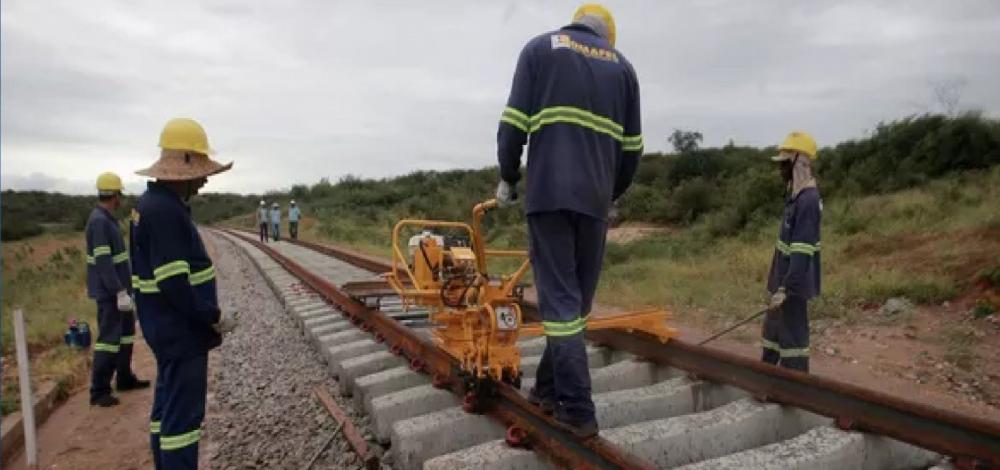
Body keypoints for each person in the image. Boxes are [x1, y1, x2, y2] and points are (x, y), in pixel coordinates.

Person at [494, 3, 642, 438]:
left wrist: (508, 177)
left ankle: (576, 409)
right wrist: (609, 192)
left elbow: (512, 127)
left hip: (549, 196)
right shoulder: (624, 69)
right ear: (606, 37)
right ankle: (545, 389)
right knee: (575, 305)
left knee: (561, 306)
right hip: (595, 203)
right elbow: (631, 151)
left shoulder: (540, 50)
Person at [131, 117, 238, 469]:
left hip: (166, 329)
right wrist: (213, 315)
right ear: (185, 167)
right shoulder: (163, 211)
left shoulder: (155, 204)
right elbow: (174, 283)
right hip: (180, 332)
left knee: (167, 411)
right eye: (202, 171)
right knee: (183, 422)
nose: (205, 179)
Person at [85, 172, 150, 407]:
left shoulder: (106, 219)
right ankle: (99, 389)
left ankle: (124, 378)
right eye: (119, 194)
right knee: (108, 340)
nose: (120, 199)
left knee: (125, 335)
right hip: (111, 293)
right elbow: (103, 262)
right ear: (114, 195)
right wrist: (118, 291)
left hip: (120, 291)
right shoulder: (99, 222)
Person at [762, 131, 823, 372]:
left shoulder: (808, 201)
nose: (781, 169)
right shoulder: (795, 197)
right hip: (781, 283)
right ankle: (767, 379)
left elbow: (801, 251)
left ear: (799, 162)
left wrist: (787, 289)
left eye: (785, 163)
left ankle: (795, 390)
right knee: (773, 335)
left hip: (792, 288)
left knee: (793, 341)